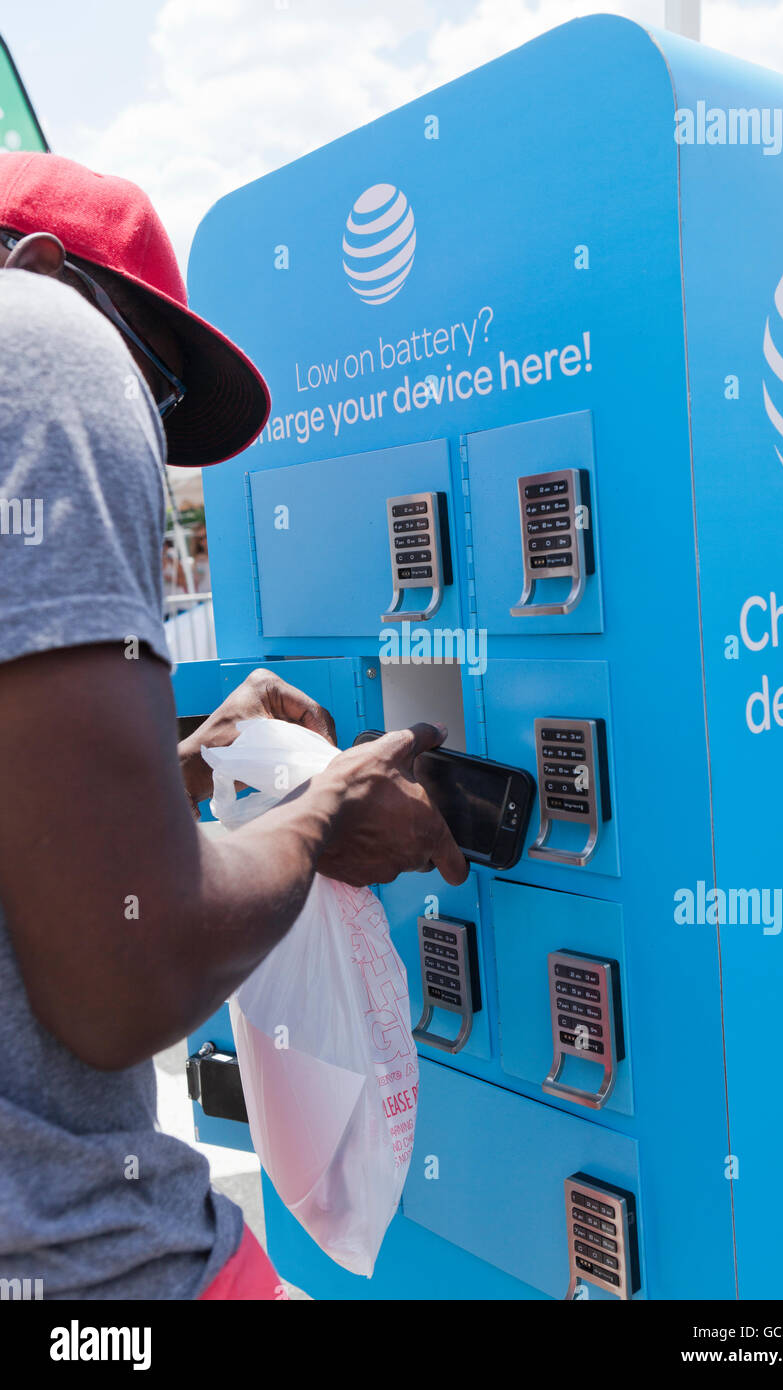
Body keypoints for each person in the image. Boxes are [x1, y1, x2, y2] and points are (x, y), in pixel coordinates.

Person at [0, 152, 466, 1300]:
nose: (142, 438)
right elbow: (122, 978)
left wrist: (182, 773)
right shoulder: (37, 337)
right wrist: (319, 820)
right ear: (38, 269)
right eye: (152, 391)